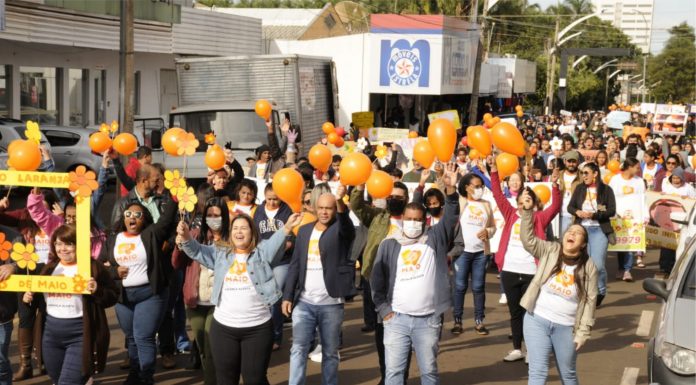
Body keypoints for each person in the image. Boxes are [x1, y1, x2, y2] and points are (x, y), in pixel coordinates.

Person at [177, 208, 301, 385]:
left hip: (257, 329)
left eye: (244, 228)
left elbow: (275, 242)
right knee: (226, 380)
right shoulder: (220, 252)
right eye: (235, 228)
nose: (239, 232)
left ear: (252, 232)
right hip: (223, 330)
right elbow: (198, 251)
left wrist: (288, 226)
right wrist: (186, 236)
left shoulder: (261, 252)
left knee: (254, 379)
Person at [370, 163, 460, 385]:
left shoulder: (434, 238)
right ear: (403, 219)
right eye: (409, 219)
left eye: (418, 220)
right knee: (394, 374)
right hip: (396, 320)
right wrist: (384, 311)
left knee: (429, 372)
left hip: (428, 320)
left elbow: (450, 217)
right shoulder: (390, 244)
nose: (413, 223)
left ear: (424, 220)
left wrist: (450, 189)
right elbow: (377, 281)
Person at [518, 190, 598, 385]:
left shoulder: (589, 267)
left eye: (578, 233)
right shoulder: (551, 249)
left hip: (566, 327)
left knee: (568, 374)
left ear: (583, 244)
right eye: (570, 231)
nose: (572, 234)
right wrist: (528, 212)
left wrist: (582, 333)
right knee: (538, 372)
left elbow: (589, 301)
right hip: (536, 319)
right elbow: (528, 241)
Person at [20, 225, 118, 385]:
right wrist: (28, 299)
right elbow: (37, 303)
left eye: (68, 244)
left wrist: (97, 290)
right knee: (57, 381)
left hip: (80, 337)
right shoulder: (49, 269)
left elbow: (113, 295)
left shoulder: (92, 267)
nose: (62, 249)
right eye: (58, 244)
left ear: (78, 245)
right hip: (50, 337)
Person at [488, 158, 561, 362]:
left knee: (531, 312)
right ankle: (517, 349)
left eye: (529, 199)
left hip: (532, 271)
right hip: (510, 269)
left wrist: (555, 185)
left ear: (534, 202)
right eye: (522, 199)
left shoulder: (540, 218)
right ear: (518, 201)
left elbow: (556, 206)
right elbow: (497, 195)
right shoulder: (510, 213)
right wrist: (494, 172)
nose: (525, 201)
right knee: (514, 312)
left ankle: (531, 350)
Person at [282, 185, 356, 385]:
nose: (324, 212)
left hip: (331, 303)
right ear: (314, 208)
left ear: (335, 210)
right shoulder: (304, 231)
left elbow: (347, 226)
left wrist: (340, 201)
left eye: (329, 208)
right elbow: (295, 265)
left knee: (330, 352)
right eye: (321, 207)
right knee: (298, 348)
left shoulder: (341, 230)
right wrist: (288, 295)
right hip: (303, 303)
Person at [101, 198, 177, 385]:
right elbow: (101, 267)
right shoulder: (113, 238)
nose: (132, 218)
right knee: (132, 338)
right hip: (123, 298)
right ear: (124, 218)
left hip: (150, 295)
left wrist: (174, 197)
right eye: (128, 214)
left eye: (137, 215)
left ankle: (146, 377)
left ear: (144, 220)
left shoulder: (151, 234)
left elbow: (166, 220)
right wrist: (114, 271)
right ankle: (134, 374)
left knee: (143, 337)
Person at [350, 180, 412, 385]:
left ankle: (400, 376)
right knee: (382, 331)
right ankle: (386, 376)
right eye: (391, 197)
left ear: (407, 200)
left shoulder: (414, 221)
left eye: (399, 198)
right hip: (375, 279)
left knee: (403, 334)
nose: (394, 200)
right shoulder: (377, 216)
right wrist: (359, 187)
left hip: (404, 281)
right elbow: (357, 206)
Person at [172, 197, 230, 384]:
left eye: (218, 215)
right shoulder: (194, 235)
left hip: (219, 302)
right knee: (203, 348)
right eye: (210, 215)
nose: (213, 219)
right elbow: (176, 263)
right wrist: (180, 244)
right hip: (195, 301)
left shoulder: (231, 238)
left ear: (225, 217)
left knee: (212, 346)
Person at [450, 173, 496, 336]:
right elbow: (447, 197)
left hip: (480, 253)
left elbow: (492, 226)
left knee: (478, 287)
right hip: (462, 252)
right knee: (460, 287)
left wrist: (488, 231)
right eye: (476, 186)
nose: (479, 189)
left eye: (481, 186)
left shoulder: (486, 204)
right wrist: (446, 180)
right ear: (466, 187)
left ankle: (479, 321)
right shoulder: (460, 202)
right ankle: (457, 320)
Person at [567, 162, 615, 307]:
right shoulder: (580, 188)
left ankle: (601, 290)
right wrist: (577, 212)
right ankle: (583, 294)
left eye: (586, 173)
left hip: (599, 229)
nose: (583, 176)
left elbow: (611, 211)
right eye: (582, 173)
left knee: (598, 265)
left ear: (595, 174)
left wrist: (594, 215)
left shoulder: (606, 190)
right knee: (581, 264)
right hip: (582, 230)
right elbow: (570, 206)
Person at [253, 184, 293, 350]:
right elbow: (254, 233)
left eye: (275, 199)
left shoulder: (287, 210)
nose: (272, 202)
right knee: (262, 297)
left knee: (275, 295)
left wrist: (285, 245)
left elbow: (293, 234)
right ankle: (262, 334)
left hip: (282, 260)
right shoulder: (259, 211)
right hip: (262, 259)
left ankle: (276, 335)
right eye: (269, 199)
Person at [608, 158, 646, 282]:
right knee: (621, 244)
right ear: (629, 167)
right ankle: (621, 268)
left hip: (635, 217)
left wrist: (645, 216)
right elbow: (610, 197)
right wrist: (612, 213)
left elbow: (643, 199)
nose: (638, 170)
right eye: (636, 167)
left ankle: (627, 270)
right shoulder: (615, 180)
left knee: (630, 244)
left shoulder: (639, 181)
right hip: (618, 217)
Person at [559, 151, 581, 236]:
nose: (571, 164)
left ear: (578, 162)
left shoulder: (582, 176)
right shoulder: (558, 175)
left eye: (574, 161)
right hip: (560, 215)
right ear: (564, 161)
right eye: (569, 161)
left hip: (576, 216)